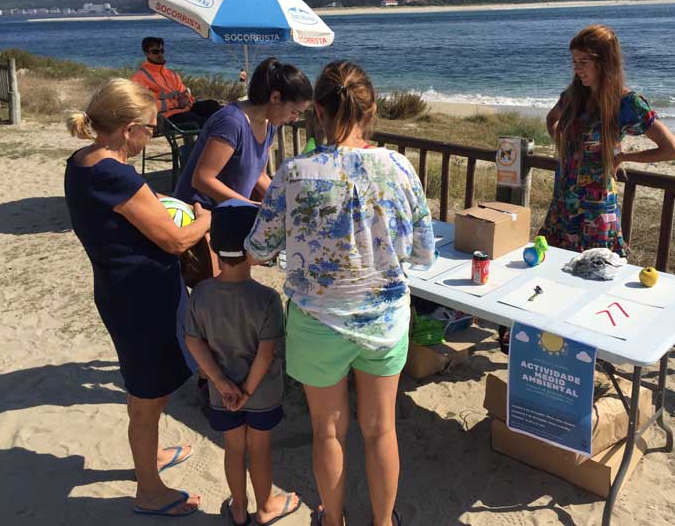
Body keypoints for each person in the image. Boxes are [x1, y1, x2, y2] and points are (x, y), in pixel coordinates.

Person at [245, 60, 436, 526]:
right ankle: (384, 521)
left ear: (321, 112)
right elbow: (423, 252)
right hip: (384, 320)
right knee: (380, 429)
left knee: (328, 432)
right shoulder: (399, 168)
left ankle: (333, 520)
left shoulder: (294, 172)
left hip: (317, 320)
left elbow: (258, 249)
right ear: (370, 111)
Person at [64, 79, 211, 517]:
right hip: (141, 299)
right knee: (148, 395)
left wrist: (154, 201)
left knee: (146, 389)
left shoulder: (82, 161)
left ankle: (147, 460)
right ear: (129, 129)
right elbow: (175, 240)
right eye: (152, 125)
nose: (155, 131)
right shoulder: (114, 173)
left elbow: (125, 212)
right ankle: (149, 490)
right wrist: (204, 219)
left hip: (119, 290)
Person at [184, 200, 301, 526]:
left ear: (213, 245)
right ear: (255, 249)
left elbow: (194, 341)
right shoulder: (266, 299)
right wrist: (247, 391)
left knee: (233, 449)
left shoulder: (201, 294)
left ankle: (238, 508)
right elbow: (266, 353)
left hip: (222, 395)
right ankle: (266, 507)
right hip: (261, 393)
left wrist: (223, 384)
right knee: (260, 449)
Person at [541, 23, 675, 257]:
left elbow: (673, 150)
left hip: (597, 209)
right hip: (563, 201)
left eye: (583, 62)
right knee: (555, 271)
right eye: (574, 62)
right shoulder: (573, 96)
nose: (577, 69)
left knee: (596, 274)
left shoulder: (627, 103)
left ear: (604, 62)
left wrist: (622, 157)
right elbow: (551, 120)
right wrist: (566, 149)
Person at [173, 57, 312, 210]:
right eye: (294, 112)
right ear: (275, 97)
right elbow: (202, 179)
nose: (295, 119)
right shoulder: (231, 122)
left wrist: (286, 204)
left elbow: (259, 175)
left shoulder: (269, 124)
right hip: (198, 214)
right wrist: (251, 207)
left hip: (230, 211)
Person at [131, 36, 221, 127]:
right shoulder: (140, 77)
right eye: (155, 52)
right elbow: (146, 106)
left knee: (215, 107)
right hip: (167, 116)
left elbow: (186, 94)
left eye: (162, 51)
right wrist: (176, 103)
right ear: (146, 53)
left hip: (186, 108)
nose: (160, 55)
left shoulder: (172, 74)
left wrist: (186, 98)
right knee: (203, 122)